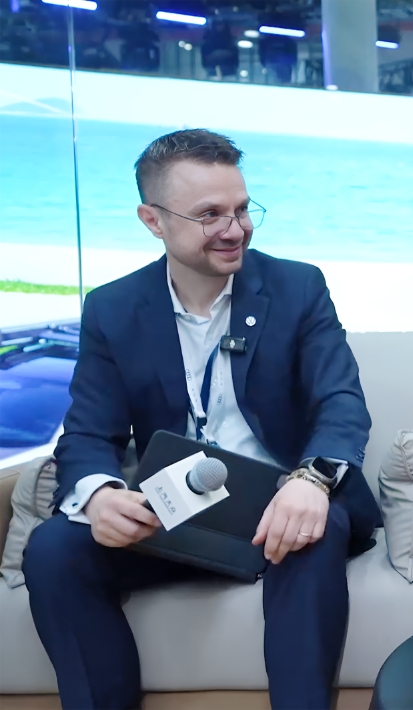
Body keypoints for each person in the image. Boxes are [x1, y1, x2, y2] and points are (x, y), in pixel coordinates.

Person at [21, 129, 379, 710]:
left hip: (279, 503)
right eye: (210, 215)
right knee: (53, 549)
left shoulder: (298, 288)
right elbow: (87, 432)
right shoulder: (113, 308)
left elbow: (341, 400)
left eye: (242, 209)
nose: (235, 229)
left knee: (314, 531)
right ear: (153, 220)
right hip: (169, 509)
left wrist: (311, 480)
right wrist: (99, 495)